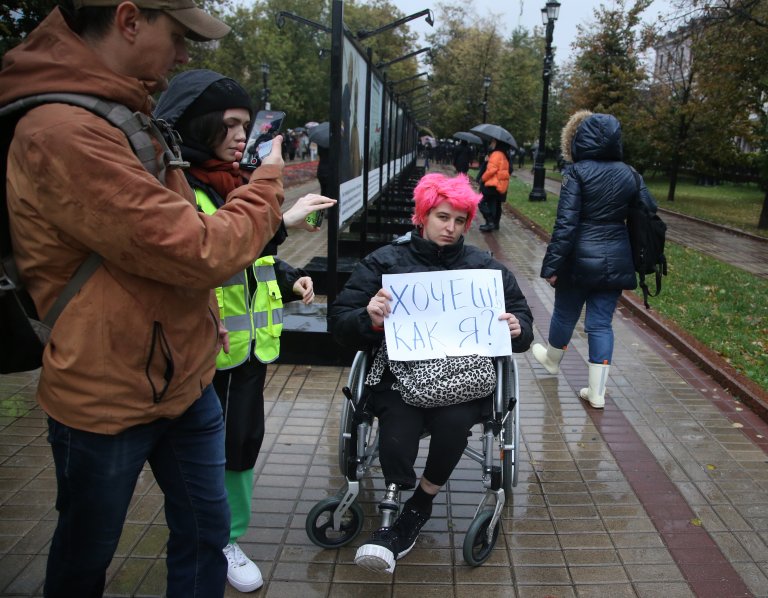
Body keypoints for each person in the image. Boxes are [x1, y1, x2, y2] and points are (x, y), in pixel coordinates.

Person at [0, 2, 288, 596]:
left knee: (208, 535)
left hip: (184, 382)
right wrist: (266, 188)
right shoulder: (64, 131)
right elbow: (200, 247)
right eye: (178, 36)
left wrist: (206, 322)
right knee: (86, 555)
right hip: (106, 395)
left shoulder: (125, 110)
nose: (184, 54)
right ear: (130, 20)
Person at [154, 69, 336, 593]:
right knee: (213, 453)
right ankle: (220, 539)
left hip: (246, 350)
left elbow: (248, 255)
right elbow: (212, 254)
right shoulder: (179, 188)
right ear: (197, 124)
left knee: (242, 443)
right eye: (230, 124)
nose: (241, 135)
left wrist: (284, 273)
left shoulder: (229, 183)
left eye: (244, 123)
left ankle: (222, 536)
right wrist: (282, 214)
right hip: (206, 352)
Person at [328, 173, 533, 575]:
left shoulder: (485, 270)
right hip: (397, 375)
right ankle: (394, 497)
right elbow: (339, 321)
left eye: (460, 221)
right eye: (442, 217)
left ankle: (420, 503)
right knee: (399, 425)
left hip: (463, 377)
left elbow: (522, 324)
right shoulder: (385, 261)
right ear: (422, 216)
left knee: (454, 421)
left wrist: (518, 328)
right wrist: (369, 319)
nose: (451, 228)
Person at [532, 110, 658, 409]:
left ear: (580, 140)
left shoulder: (577, 173)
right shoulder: (631, 173)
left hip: (578, 260)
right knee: (601, 325)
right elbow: (648, 212)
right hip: (616, 260)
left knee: (565, 314)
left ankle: (551, 360)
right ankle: (597, 392)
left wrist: (552, 266)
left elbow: (566, 223)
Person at [479, 139, 511, 232]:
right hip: (499, 184)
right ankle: (494, 223)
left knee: (480, 202)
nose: (491, 143)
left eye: (493, 142)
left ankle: (490, 222)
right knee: (495, 204)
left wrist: (482, 178)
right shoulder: (504, 154)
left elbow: (491, 170)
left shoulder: (496, 154)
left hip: (492, 183)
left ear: (497, 143)